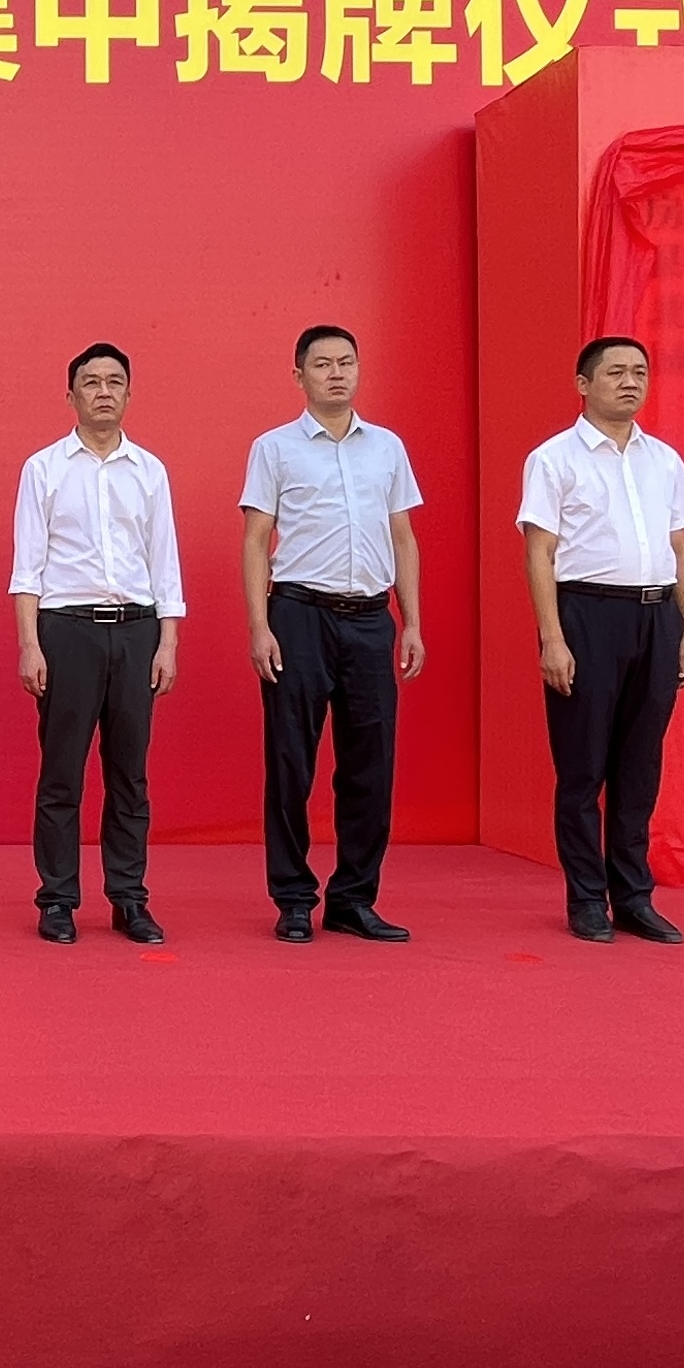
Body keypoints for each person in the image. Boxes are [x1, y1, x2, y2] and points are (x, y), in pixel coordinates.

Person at [518, 335, 684, 945]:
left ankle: (633, 897)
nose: (630, 382)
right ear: (583, 384)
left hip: (656, 617)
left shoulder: (664, 460)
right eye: (616, 372)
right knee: (583, 767)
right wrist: (552, 637)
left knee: (639, 766)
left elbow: (681, 547)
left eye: (640, 372)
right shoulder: (554, 459)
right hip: (587, 615)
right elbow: (540, 552)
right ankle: (586, 899)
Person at [241, 324, 424, 945]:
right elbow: (256, 540)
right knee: (291, 761)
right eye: (322, 364)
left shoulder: (387, 448)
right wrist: (260, 625)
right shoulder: (274, 448)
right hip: (299, 616)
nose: (337, 373)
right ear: (300, 376)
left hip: (371, 618)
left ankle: (353, 898)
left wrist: (411, 621)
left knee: (371, 764)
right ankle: (293, 897)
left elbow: (402, 536)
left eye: (347, 362)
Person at [10, 342, 184, 945]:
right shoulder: (44, 468)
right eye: (91, 382)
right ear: (71, 395)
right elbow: (27, 566)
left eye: (114, 381)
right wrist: (29, 644)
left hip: (137, 630)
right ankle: (58, 899)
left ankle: (129, 898)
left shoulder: (150, 470)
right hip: (68, 630)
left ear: (129, 394)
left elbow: (164, 562)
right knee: (62, 773)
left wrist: (168, 642)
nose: (103, 391)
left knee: (130, 774)